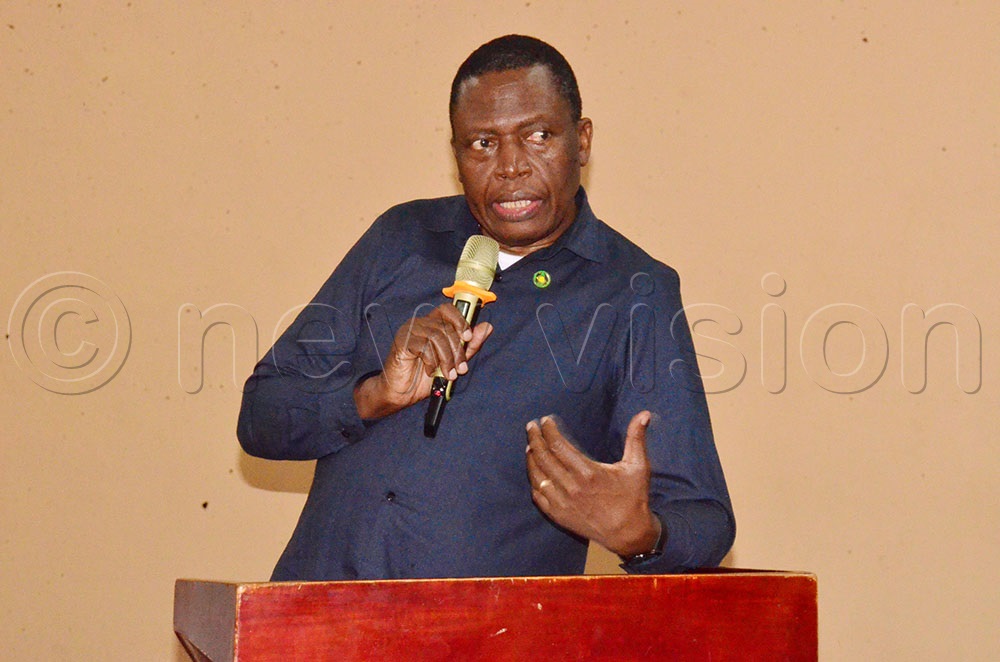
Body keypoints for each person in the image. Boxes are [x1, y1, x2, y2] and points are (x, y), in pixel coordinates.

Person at [237, 34, 734, 581]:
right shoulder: (401, 238)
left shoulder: (633, 291)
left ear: (583, 141)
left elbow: (706, 521)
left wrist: (637, 533)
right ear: (455, 155)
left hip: (485, 635)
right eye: (482, 144)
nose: (511, 166)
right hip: (308, 625)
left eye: (539, 135)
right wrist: (373, 396)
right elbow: (261, 415)